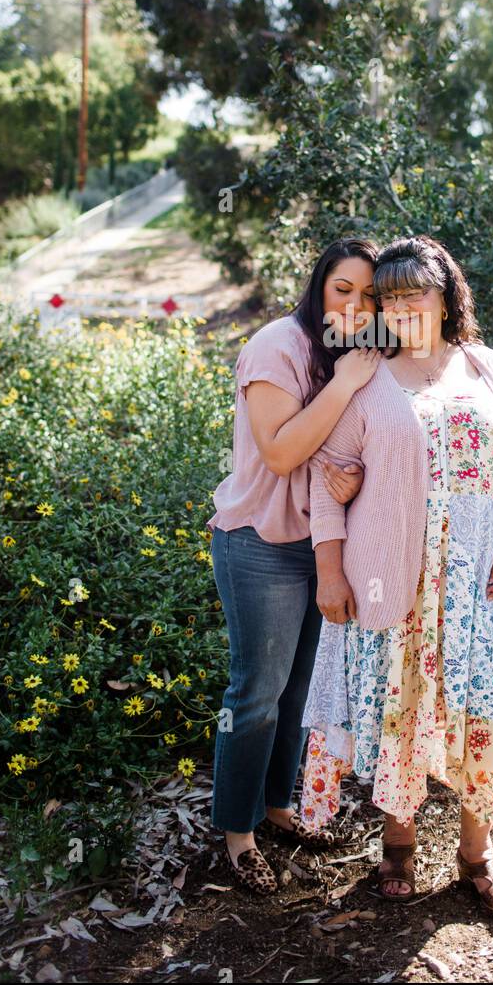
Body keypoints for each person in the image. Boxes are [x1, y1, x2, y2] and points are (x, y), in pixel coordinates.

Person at [299, 235, 493, 920]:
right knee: (398, 706)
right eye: (389, 296)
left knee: (479, 712)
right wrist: (329, 572)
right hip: (394, 579)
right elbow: (328, 479)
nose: (402, 307)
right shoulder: (366, 374)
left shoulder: (485, 366)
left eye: (416, 293)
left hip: (477, 585)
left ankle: (476, 856)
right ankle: (399, 844)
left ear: (445, 299)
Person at [206, 238, 383, 896]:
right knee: (255, 694)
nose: (357, 305)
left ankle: (278, 809)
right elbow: (280, 454)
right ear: (319, 287)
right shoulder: (278, 345)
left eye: (370, 295)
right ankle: (238, 835)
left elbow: (347, 447)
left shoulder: (357, 355)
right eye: (345, 289)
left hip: (321, 547)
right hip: (260, 542)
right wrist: (343, 386)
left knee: (296, 694)